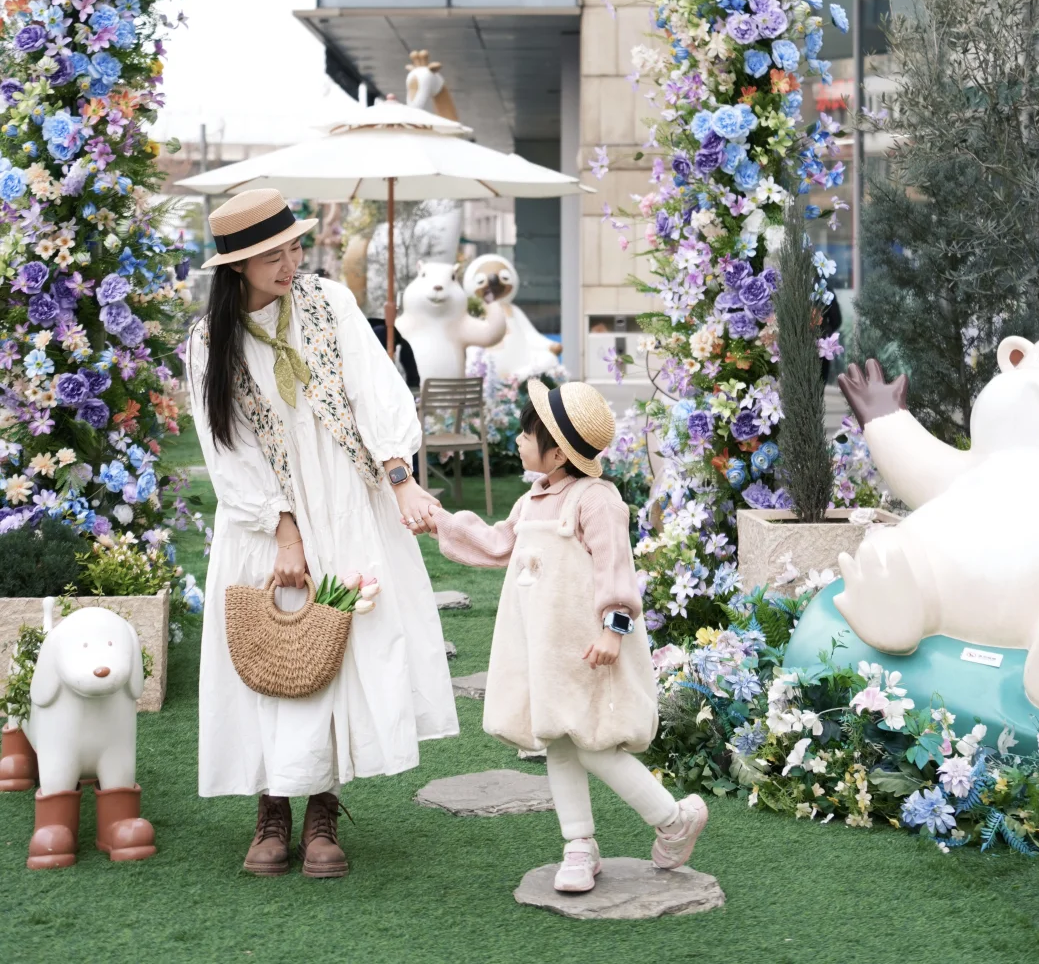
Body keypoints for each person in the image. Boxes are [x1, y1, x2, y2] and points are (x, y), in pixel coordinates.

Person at [187, 189, 455, 878]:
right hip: (264, 517)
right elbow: (227, 449)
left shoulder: (328, 303)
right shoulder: (210, 342)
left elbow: (374, 390)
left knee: (337, 649)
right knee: (270, 653)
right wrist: (283, 533)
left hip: (342, 499)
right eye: (270, 253)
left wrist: (403, 480)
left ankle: (322, 810)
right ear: (236, 266)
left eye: (293, 246)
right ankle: (270, 808)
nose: (288, 261)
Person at [427, 379, 709, 892]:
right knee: (555, 739)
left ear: (556, 452)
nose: (516, 438)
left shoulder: (595, 500)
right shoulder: (533, 499)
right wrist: (440, 523)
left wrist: (613, 630)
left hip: (589, 650)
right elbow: (495, 546)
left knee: (595, 745)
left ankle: (673, 818)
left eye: (526, 433)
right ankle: (578, 845)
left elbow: (615, 570)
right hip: (545, 650)